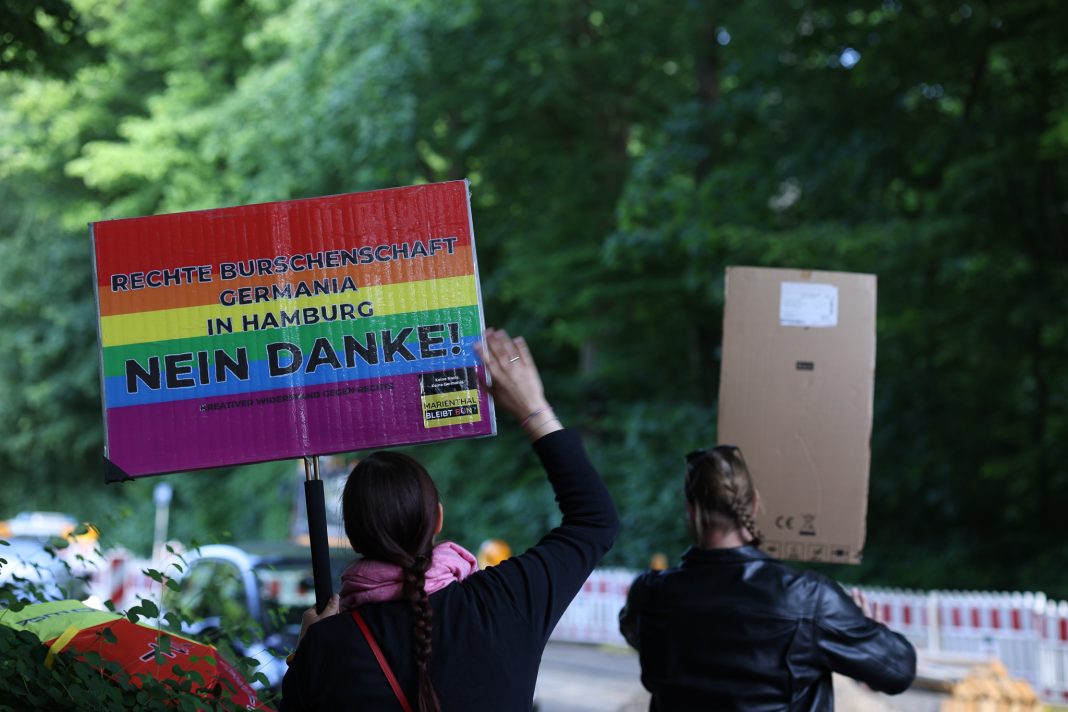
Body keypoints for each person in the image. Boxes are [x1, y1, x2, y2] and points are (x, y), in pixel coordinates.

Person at [282, 328, 619, 711]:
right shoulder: (506, 601)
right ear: (438, 519)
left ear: (356, 539)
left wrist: (304, 653)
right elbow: (595, 520)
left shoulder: (330, 645)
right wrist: (533, 410)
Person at [619, 445, 916, 711]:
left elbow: (637, 636)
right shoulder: (808, 600)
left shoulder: (650, 595)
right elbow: (898, 670)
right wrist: (864, 627)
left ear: (690, 508)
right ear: (754, 504)